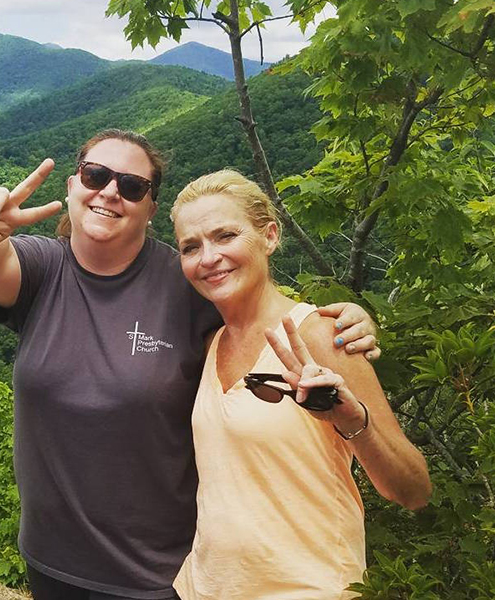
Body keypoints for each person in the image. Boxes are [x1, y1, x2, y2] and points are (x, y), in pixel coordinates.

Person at [0, 129, 379, 600]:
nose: (110, 191)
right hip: (51, 561)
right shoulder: (41, 270)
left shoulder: (187, 282)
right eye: (95, 175)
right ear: (72, 185)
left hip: (158, 575)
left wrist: (338, 323)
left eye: (132, 186)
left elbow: (260, 309)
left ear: (150, 208)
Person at [170, 170, 431, 600]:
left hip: (308, 586)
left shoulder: (321, 337)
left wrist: (353, 420)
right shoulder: (212, 342)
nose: (209, 257)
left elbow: (414, 490)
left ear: (269, 236)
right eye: (191, 247)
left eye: (225, 236)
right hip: (206, 586)